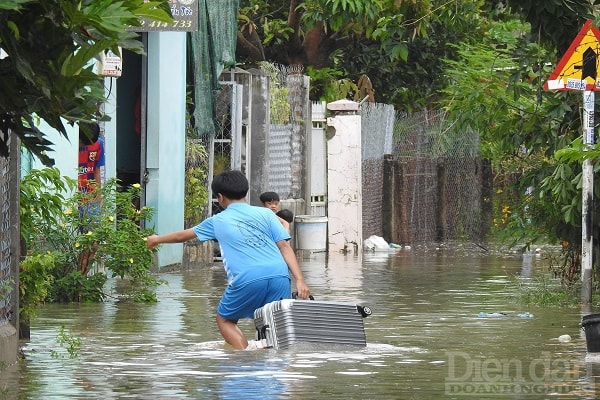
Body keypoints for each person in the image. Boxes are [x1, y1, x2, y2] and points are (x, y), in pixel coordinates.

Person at [146, 170, 311, 350]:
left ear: (220, 197)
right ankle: (274, 368)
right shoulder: (267, 214)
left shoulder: (217, 220)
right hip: (280, 275)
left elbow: (181, 236)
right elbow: (285, 247)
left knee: (225, 319)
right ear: (246, 192)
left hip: (248, 277)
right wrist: (300, 280)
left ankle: (243, 357)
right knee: (274, 325)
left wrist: (156, 239)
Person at [77, 121, 105, 273]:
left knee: (93, 243)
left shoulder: (98, 144)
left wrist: (98, 198)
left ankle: (82, 276)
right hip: (74, 199)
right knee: (78, 242)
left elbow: (96, 171)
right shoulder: (71, 145)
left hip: (90, 199)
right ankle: (77, 276)